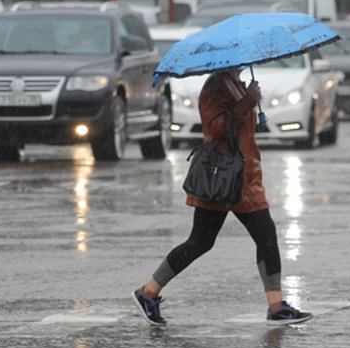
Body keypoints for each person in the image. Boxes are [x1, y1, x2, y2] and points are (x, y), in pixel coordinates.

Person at [132, 67, 312, 326]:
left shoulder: (234, 83)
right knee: (206, 241)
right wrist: (248, 101)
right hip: (224, 177)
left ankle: (276, 306)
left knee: (254, 237)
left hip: (243, 177)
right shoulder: (216, 85)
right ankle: (147, 293)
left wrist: (250, 102)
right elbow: (216, 127)